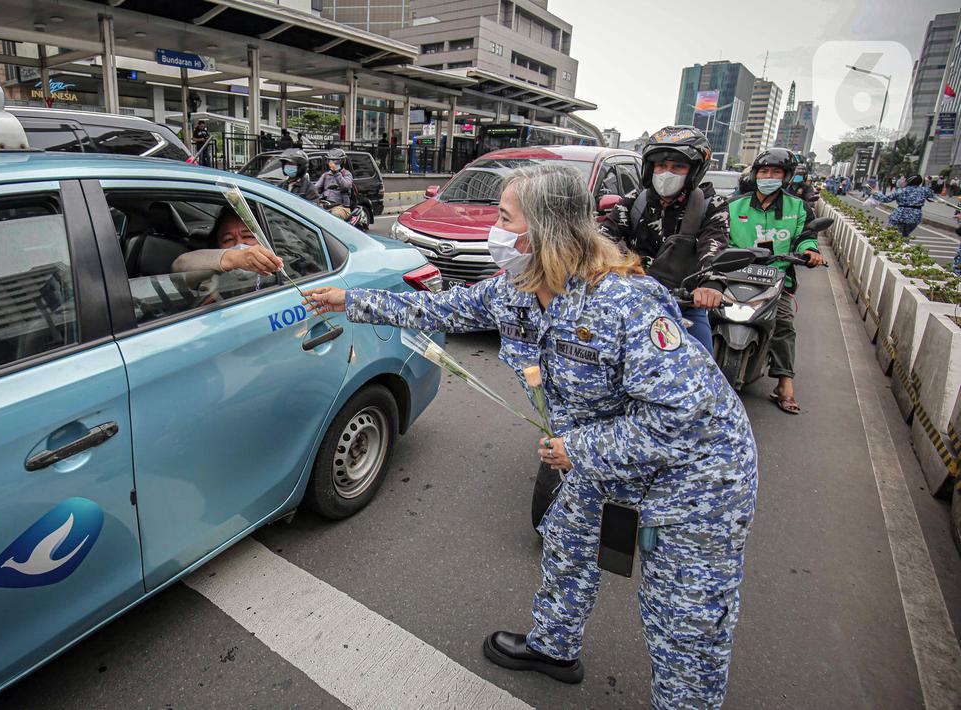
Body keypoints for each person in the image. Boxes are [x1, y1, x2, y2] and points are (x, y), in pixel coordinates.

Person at [304, 164, 758, 709]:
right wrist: (346, 301)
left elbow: (683, 418)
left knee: (684, 620)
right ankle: (555, 648)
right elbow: (440, 307)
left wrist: (580, 449)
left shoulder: (624, 303)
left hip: (696, 476)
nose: (492, 229)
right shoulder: (515, 291)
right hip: (604, 453)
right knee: (568, 543)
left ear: (545, 229)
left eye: (503, 217)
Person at [598, 125, 730, 355]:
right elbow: (603, 238)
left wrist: (711, 285)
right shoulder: (634, 201)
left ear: (694, 171)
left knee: (703, 370)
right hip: (630, 303)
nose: (667, 172)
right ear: (650, 169)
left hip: (683, 306)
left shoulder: (711, 205)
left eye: (678, 166)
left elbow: (714, 244)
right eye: (661, 165)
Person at [727, 148, 824, 416]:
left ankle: (784, 384)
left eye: (776, 172)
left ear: (786, 177)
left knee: (783, 324)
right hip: (733, 274)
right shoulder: (734, 205)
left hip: (776, 277)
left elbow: (806, 235)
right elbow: (718, 233)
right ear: (756, 174)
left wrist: (810, 251)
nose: (769, 176)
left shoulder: (798, 208)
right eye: (764, 171)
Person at [171, 211, 284, 276]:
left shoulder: (282, 269)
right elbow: (179, 265)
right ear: (218, 245)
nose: (239, 244)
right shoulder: (213, 273)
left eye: (248, 236)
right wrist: (235, 259)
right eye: (228, 239)